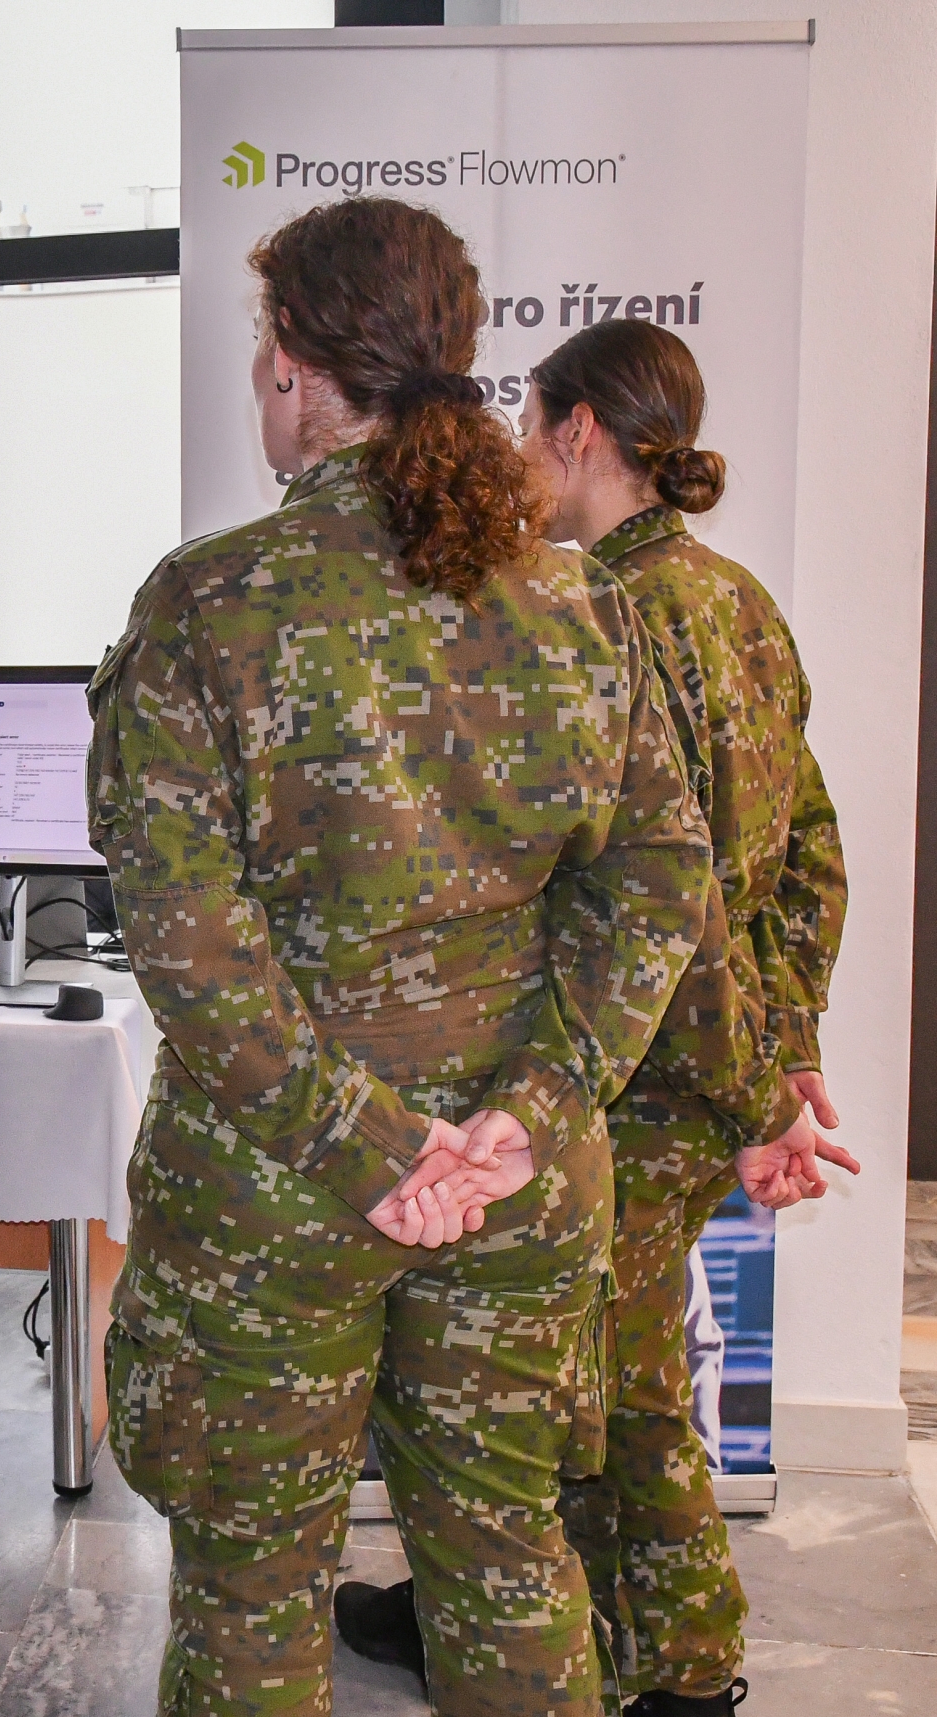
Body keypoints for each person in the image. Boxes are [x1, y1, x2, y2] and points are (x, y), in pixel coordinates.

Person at [89, 197, 778, 1717]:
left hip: (279, 1190)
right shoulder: (579, 601)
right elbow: (660, 883)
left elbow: (189, 939)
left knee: (253, 1588)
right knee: (509, 1555)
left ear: (294, 363)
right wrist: (532, 1109)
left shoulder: (211, 605)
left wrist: (369, 1144)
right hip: (513, 1183)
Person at [335, 320, 856, 1717]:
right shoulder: (739, 600)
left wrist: (756, 1093)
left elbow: (668, 903)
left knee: (606, 1395)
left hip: (631, 1072)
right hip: (696, 1058)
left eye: (527, 425)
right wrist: (786, 1046)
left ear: (577, 433)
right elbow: (811, 852)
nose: (515, 454)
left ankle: (678, 1668)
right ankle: (519, 1619)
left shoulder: (605, 609)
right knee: (591, 1380)